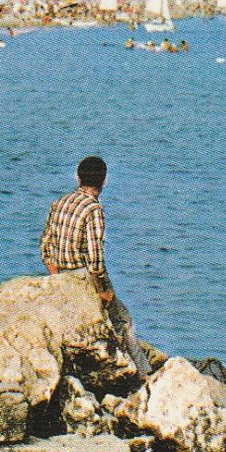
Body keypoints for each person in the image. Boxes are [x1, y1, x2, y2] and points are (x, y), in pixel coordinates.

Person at [39, 156, 151, 377]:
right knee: (124, 321)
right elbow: (95, 259)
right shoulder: (93, 209)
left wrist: (56, 278)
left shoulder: (59, 203)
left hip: (59, 275)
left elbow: (45, 246)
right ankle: (145, 374)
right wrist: (102, 291)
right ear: (104, 181)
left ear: (78, 178)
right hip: (83, 277)